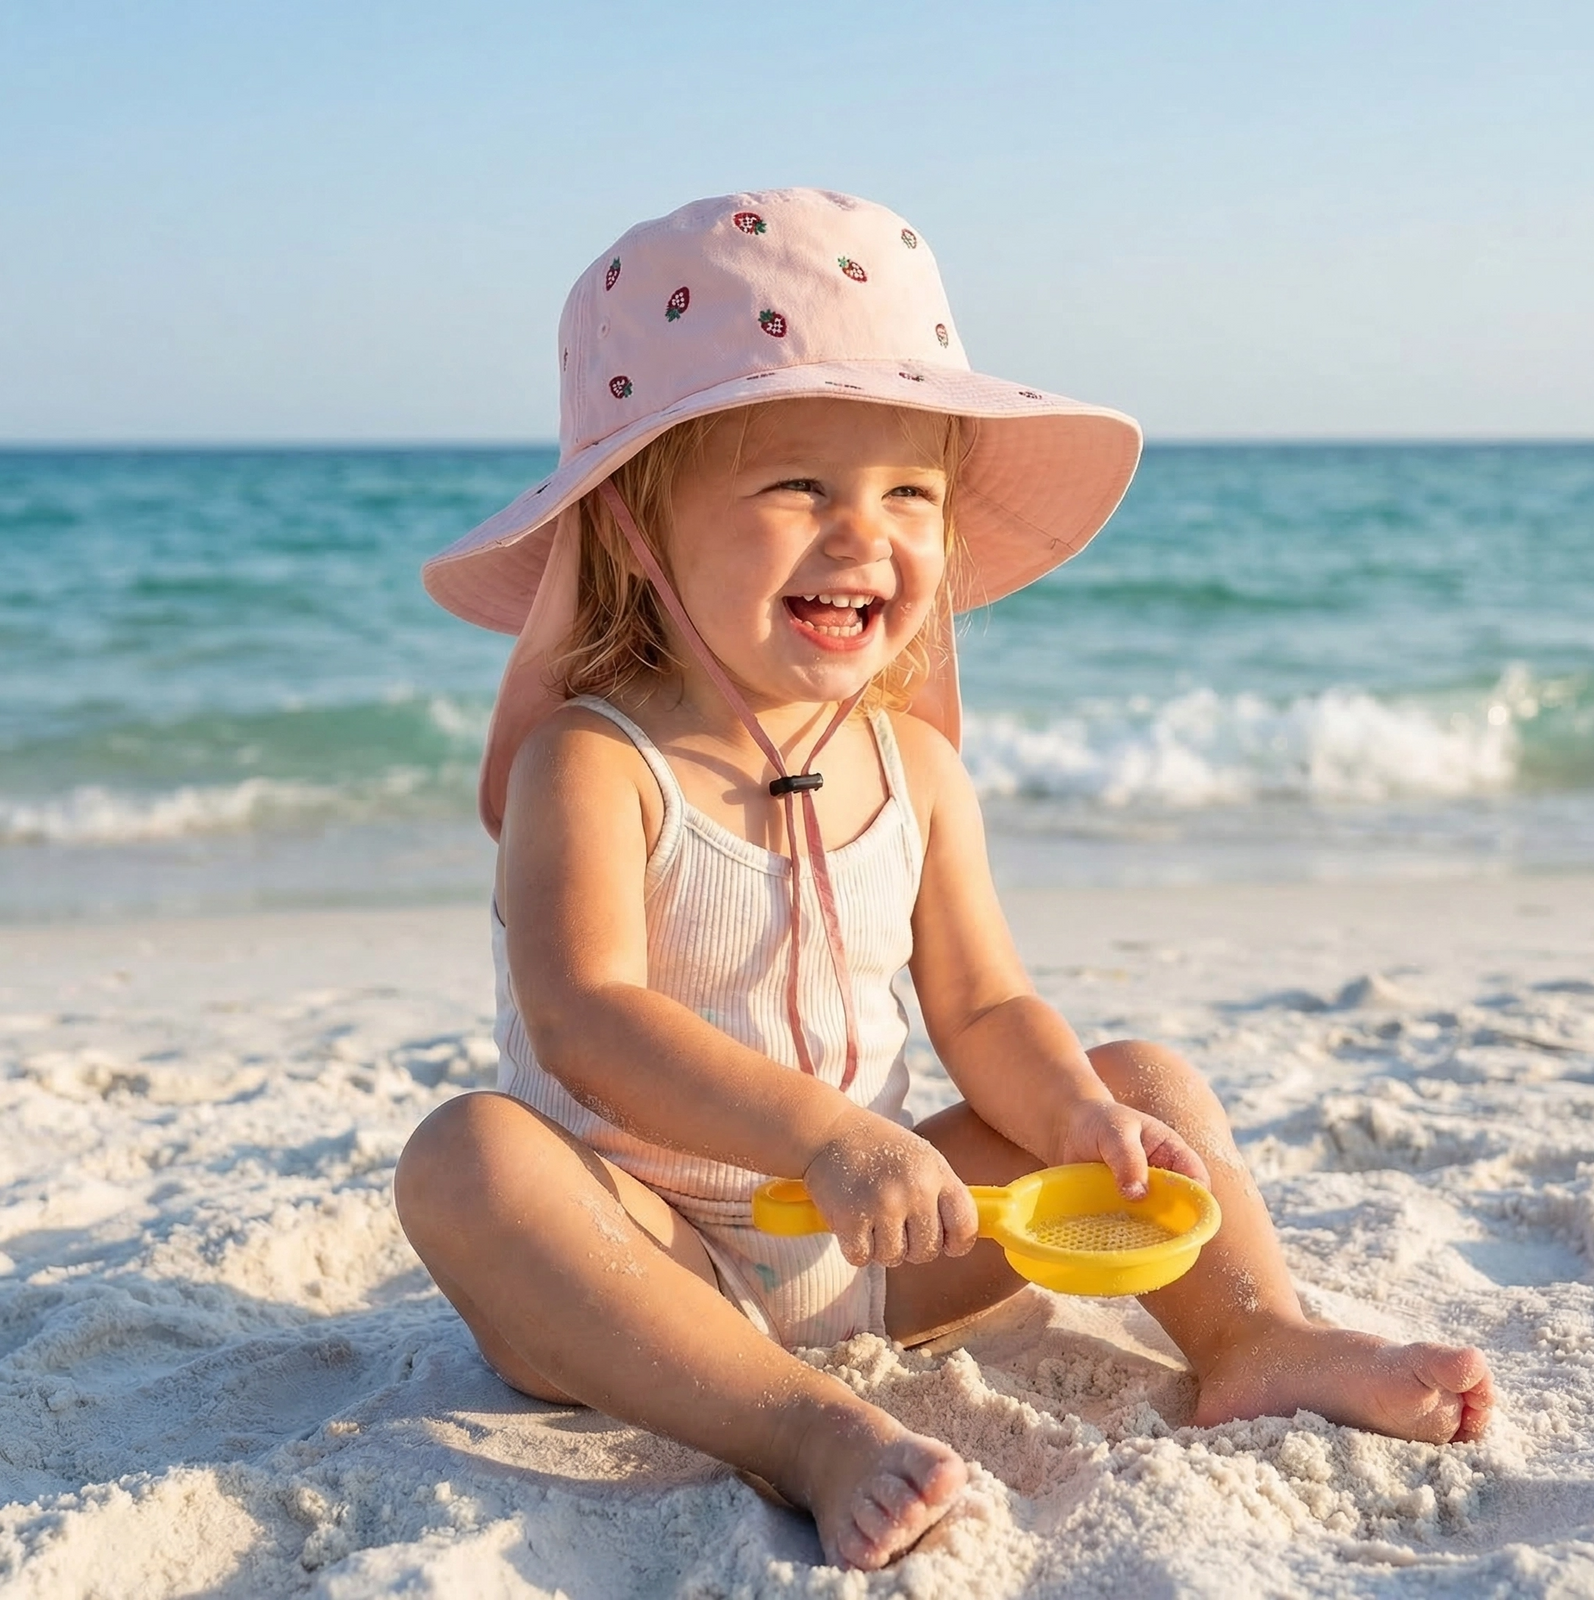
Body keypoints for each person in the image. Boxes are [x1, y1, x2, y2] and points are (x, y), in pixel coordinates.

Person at [395, 189, 1494, 1571]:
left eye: (910, 493)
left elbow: (982, 1005)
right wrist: (820, 1138)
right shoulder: (596, 763)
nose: (869, 536)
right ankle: (795, 1427)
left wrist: (1077, 1117)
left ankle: (1251, 1337)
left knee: (1141, 1081)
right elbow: (585, 1016)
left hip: (893, 1238)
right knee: (468, 1162)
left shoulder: (912, 767)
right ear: (633, 528)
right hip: (645, 1256)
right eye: (800, 485)